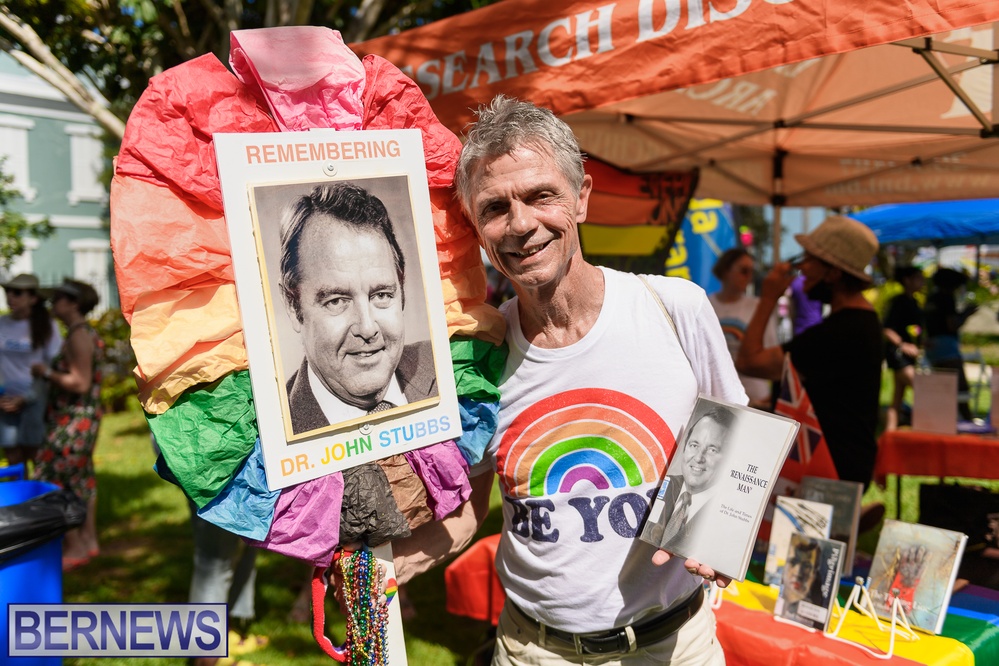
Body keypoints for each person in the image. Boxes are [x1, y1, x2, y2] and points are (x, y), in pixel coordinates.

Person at [391, 96, 747, 665]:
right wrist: (388, 564)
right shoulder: (477, 354)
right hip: (534, 651)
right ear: (476, 229)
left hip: (674, 647)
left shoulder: (673, 307)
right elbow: (468, 511)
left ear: (581, 198)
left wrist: (720, 528)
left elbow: (735, 437)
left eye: (541, 196)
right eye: (495, 207)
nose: (521, 224)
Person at [736, 216, 883, 490]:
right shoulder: (861, 323)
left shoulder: (840, 332)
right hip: (844, 466)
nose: (801, 268)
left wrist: (768, 297)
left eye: (809, 260)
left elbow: (749, 361)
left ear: (834, 273)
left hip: (831, 473)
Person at [278, 181, 437, 435]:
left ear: (402, 289)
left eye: (381, 295)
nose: (367, 328)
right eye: (336, 301)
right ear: (293, 305)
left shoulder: (450, 370)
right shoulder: (272, 432)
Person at [31, 279, 104, 570]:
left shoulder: (78, 335)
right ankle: (89, 540)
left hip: (72, 421)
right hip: (80, 418)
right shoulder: (82, 332)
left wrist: (46, 372)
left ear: (73, 303)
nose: (52, 304)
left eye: (57, 298)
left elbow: (81, 382)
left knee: (50, 476)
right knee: (81, 478)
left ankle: (74, 546)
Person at [644, 405, 735, 554]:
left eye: (712, 449)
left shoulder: (728, 513)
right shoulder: (661, 485)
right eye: (694, 445)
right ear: (685, 447)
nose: (698, 458)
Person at [0, 273, 62, 467]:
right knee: (12, 456)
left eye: (17, 292)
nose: (11, 296)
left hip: (34, 399)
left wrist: (26, 397)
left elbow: (54, 363)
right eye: (8, 291)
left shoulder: (47, 326)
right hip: (4, 399)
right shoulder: (2, 324)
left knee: (34, 453)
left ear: (33, 298)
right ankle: (20, 489)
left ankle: (35, 488)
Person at [709, 249, 778, 409]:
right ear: (725, 270)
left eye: (751, 272)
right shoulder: (706, 304)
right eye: (743, 271)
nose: (749, 277)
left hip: (755, 397)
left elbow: (770, 353)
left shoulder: (758, 307)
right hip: (717, 396)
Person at [923, 267, 976, 421]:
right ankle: (967, 421)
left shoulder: (931, 298)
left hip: (932, 347)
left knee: (943, 387)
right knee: (960, 388)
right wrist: (966, 313)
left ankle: (944, 421)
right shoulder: (946, 298)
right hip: (947, 348)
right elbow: (952, 324)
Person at [883, 266, 925, 431]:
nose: (922, 282)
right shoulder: (899, 302)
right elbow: (887, 328)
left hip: (908, 356)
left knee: (897, 398)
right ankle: (924, 427)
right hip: (899, 355)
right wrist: (902, 345)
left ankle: (890, 432)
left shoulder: (913, 301)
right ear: (907, 280)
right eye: (918, 278)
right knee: (922, 390)